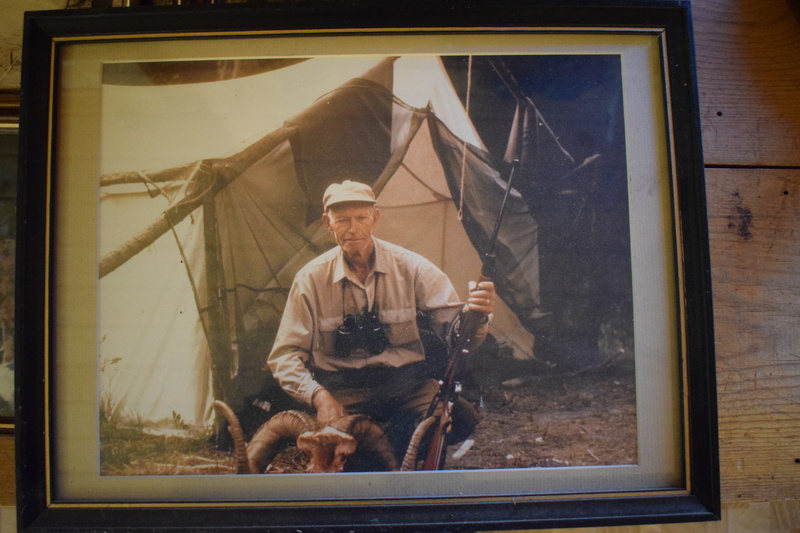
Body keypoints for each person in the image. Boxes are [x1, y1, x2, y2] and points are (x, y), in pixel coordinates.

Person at [266, 180, 495, 466]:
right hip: (343, 394)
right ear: (328, 223)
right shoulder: (310, 280)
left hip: (405, 388)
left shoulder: (413, 268)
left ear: (375, 218)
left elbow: (459, 336)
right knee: (348, 460)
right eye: (343, 220)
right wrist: (318, 396)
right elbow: (284, 357)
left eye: (361, 218)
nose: (353, 229)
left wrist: (478, 314)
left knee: (442, 423)